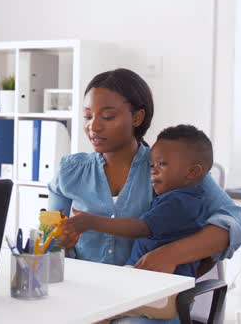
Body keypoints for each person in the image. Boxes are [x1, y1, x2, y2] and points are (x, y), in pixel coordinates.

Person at [48, 68, 241, 324]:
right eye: (87, 116)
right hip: (83, 295)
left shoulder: (170, 170)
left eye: (107, 116)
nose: (93, 126)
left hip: (146, 304)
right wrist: (59, 243)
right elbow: (48, 244)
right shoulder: (70, 171)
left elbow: (234, 226)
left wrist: (171, 254)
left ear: (137, 117)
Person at [64, 124, 216, 321]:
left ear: (193, 172)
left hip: (161, 295)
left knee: (96, 311)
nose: (153, 171)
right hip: (155, 289)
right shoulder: (184, 199)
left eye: (162, 164)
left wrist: (90, 221)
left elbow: (141, 227)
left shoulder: (179, 203)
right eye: (152, 165)